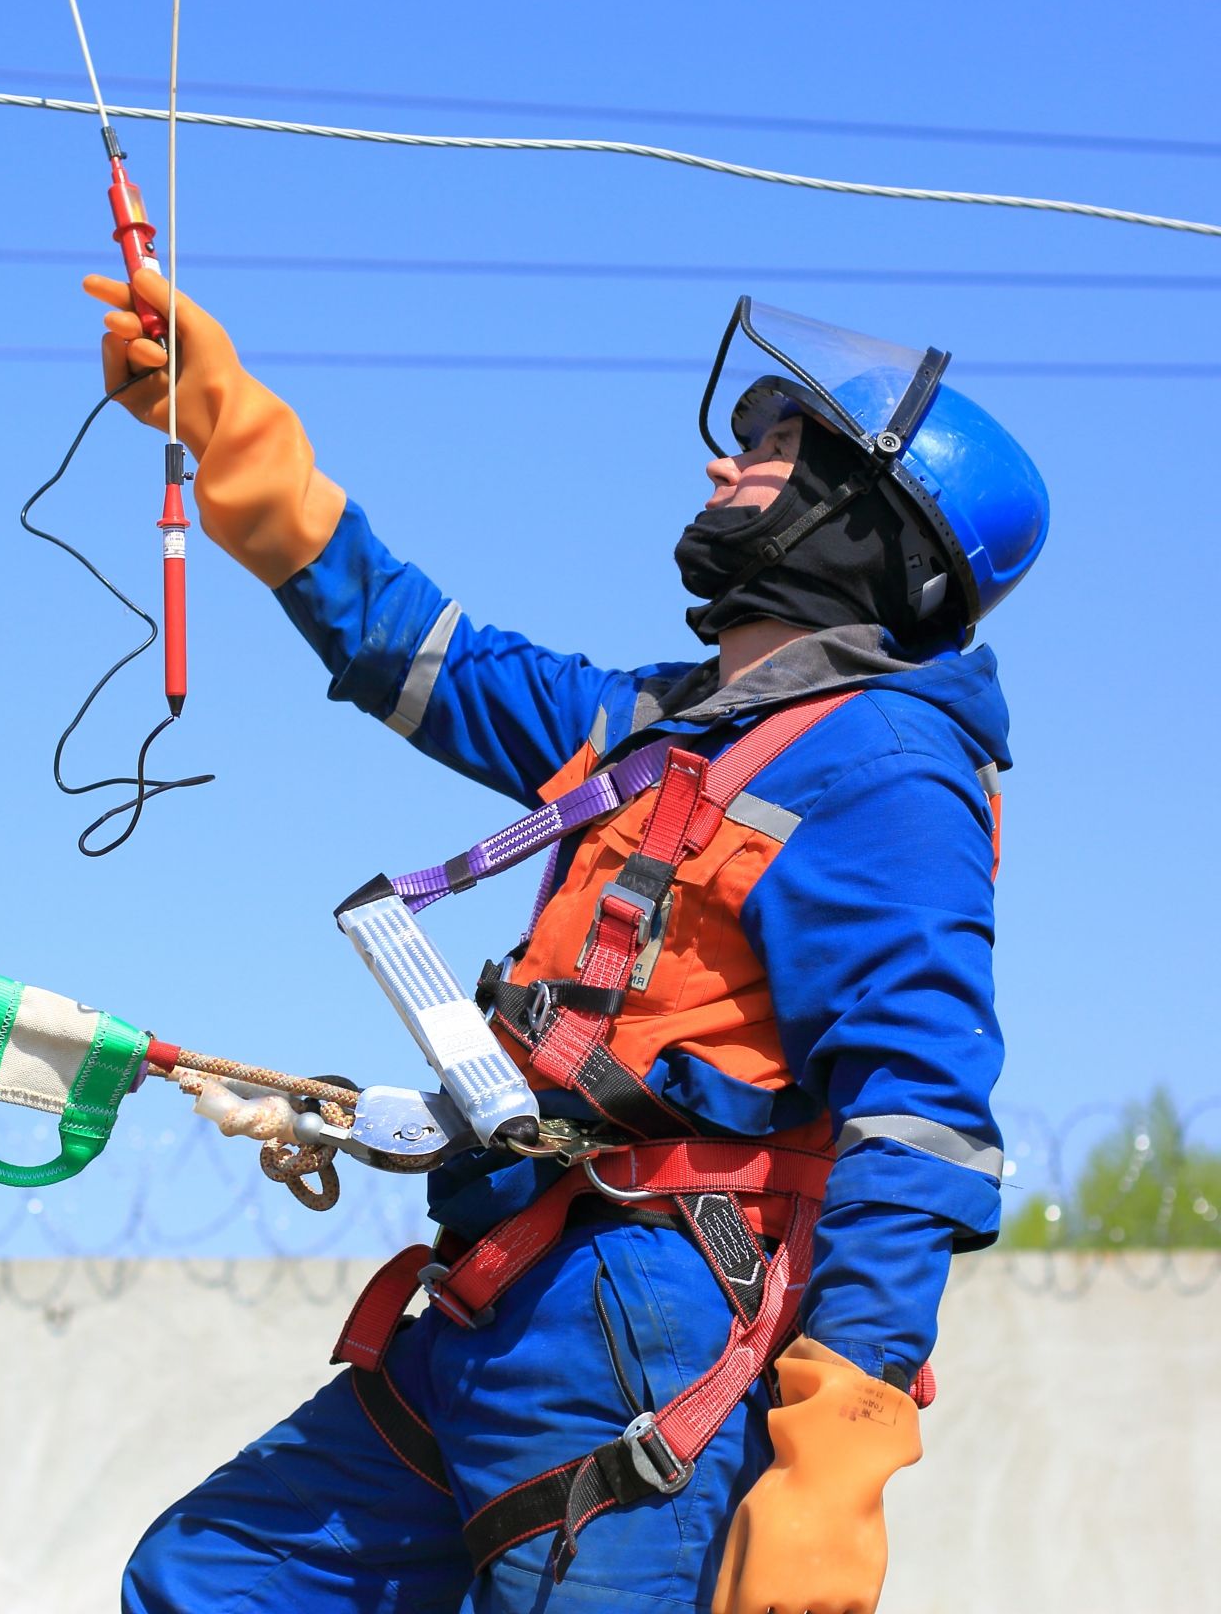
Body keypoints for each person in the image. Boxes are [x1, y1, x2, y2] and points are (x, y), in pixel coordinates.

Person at [85, 274, 1047, 1614]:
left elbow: (922, 1115)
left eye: (772, 446)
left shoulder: (888, 765)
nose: (728, 457)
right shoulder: (658, 722)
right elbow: (407, 649)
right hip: (511, 1283)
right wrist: (223, 423)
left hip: (651, 1317)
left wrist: (845, 1444)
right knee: (214, 1582)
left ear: (871, 524)